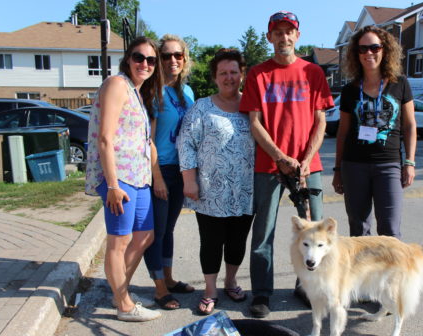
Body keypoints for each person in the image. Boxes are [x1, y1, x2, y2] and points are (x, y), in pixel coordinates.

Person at [239, 11, 334, 318]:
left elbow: (321, 120)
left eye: (289, 31)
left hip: (309, 166)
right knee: (263, 232)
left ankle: (306, 287)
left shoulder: (313, 73)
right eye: (277, 32)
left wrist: (305, 160)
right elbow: (254, 122)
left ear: (298, 36)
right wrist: (280, 157)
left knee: (315, 233)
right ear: (270, 37)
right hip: (269, 166)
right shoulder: (258, 74)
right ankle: (262, 293)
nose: (284, 37)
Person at [85, 36, 163, 322]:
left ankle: (121, 292)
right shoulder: (117, 84)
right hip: (120, 177)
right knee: (119, 241)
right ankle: (124, 305)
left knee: (145, 236)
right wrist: (113, 185)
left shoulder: (137, 92)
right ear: (128, 59)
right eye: (138, 57)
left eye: (151, 60)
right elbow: (105, 138)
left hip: (139, 177)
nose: (144, 63)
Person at [179, 49, 254, 315]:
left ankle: (231, 281)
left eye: (234, 72)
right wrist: (189, 180)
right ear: (215, 77)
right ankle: (210, 290)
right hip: (210, 190)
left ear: (242, 75)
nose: (229, 77)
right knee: (211, 241)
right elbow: (186, 143)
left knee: (238, 241)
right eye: (223, 73)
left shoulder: (251, 105)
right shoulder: (202, 107)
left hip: (245, 190)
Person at [332, 25, 417, 238]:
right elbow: (342, 132)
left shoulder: (401, 84)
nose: (368, 53)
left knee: (390, 231)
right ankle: (364, 272)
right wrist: (337, 170)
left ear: (384, 50)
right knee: (359, 231)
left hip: (388, 165)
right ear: (356, 53)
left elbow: (409, 126)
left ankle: (392, 273)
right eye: (362, 49)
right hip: (354, 166)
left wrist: (410, 162)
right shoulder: (350, 90)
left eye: (374, 47)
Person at [142, 34, 195, 310]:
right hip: (159, 168)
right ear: (159, 60)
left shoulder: (187, 92)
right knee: (157, 231)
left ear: (184, 59)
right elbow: (147, 138)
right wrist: (157, 176)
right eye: (166, 56)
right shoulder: (153, 92)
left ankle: (170, 278)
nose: (172, 60)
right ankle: (159, 288)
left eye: (178, 55)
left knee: (169, 228)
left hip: (180, 168)